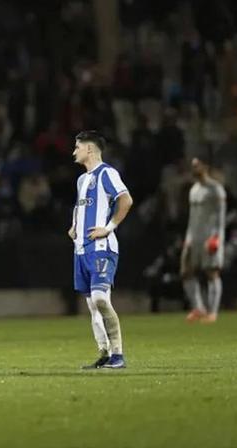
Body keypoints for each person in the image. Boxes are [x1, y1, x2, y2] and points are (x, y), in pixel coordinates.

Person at [68, 130, 133, 369]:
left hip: (101, 247)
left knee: (100, 298)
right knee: (92, 304)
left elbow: (126, 200)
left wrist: (108, 228)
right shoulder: (82, 179)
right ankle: (104, 353)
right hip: (81, 249)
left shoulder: (107, 173)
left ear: (90, 149)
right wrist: (74, 226)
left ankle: (119, 354)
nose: (74, 151)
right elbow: (80, 206)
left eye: (77, 147)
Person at [181, 157, 226, 323]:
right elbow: (192, 218)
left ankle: (212, 312)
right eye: (193, 165)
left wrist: (217, 238)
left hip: (210, 237)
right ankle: (199, 308)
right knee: (186, 271)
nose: (194, 168)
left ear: (205, 166)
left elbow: (220, 217)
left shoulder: (216, 189)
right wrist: (188, 238)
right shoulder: (194, 190)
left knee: (212, 272)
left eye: (197, 165)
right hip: (194, 237)